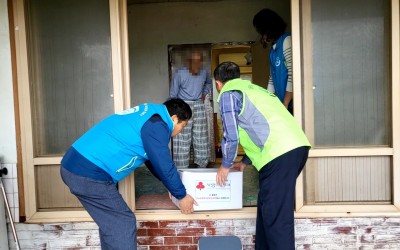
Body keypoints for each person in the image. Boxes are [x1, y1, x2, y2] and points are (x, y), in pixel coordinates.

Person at [60, 98, 197, 250]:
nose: (180, 132)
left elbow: (154, 161)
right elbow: (162, 162)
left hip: (76, 165)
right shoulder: (157, 124)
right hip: (88, 172)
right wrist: (182, 195)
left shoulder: (151, 115)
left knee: (112, 224)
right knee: (122, 222)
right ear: (174, 118)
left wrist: (172, 187)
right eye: (182, 126)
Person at [213, 62, 311, 250]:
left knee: (276, 216)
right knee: (268, 209)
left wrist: (225, 165)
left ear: (218, 83)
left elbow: (231, 135)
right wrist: (245, 162)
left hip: (279, 154)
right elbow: (260, 126)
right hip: (294, 148)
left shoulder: (228, 94)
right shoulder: (254, 90)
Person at [169, 49, 212, 168]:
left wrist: (204, 93)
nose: (196, 64)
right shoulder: (180, 73)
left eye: (199, 61)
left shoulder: (204, 72)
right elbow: (173, 94)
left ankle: (202, 166)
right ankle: (181, 168)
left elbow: (209, 83)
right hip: (183, 105)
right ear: (188, 62)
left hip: (198, 105)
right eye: (194, 61)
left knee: (201, 136)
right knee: (182, 137)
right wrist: (175, 110)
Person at [253, 8, 294, 114]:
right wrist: (266, 101)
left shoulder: (286, 41)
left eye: (261, 32)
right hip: (285, 103)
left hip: (293, 103)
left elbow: (293, 75)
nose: (261, 37)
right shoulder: (273, 50)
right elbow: (272, 78)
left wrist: (285, 103)